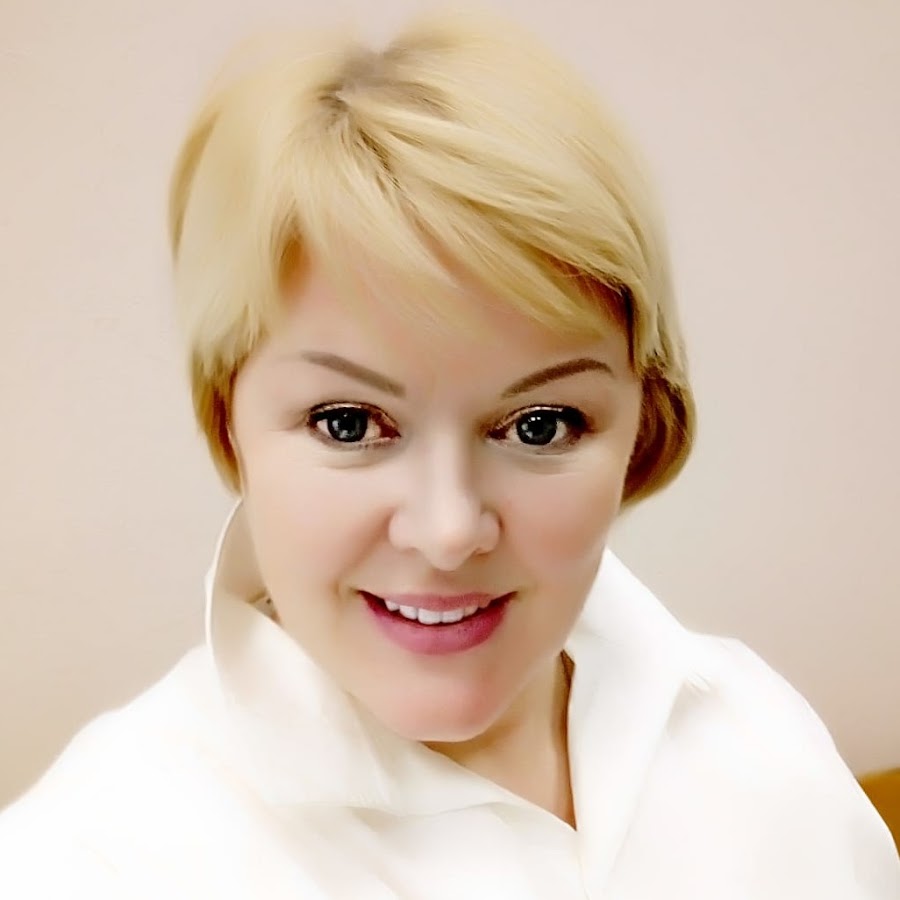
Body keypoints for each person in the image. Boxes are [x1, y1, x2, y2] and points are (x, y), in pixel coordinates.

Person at [1, 10, 897, 898]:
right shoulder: (83, 863)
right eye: (348, 423)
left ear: (643, 421)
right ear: (227, 417)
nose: (447, 531)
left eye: (539, 425)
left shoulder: (760, 740)